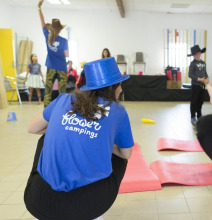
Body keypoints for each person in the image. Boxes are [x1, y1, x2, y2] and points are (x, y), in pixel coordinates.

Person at [24, 57, 134, 220]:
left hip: (41, 201)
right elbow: (126, 154)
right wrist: (105, 143)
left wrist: (62, 128)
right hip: (89, 205)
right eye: (120, 84)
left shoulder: (63, 99)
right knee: (120, 157)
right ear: (114, 86)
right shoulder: (118, 110)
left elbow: (32, 128)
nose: (121, 89)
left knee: (44, 138)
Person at [38, 0, 69, 107]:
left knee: (48, 91)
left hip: (50, 67)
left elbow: (42, 22)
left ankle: (46, 111)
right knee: (62, 92)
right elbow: (67, 55)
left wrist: (39, 8)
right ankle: (61, 110)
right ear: (60, 30)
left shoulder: (47, 36)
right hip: (61, 68)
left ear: (51, 28)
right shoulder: (64, 41)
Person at [188, 45, 209, 125]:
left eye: (198, 53)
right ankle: (193, 116)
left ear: (200, 53)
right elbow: (190, 74)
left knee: (201, 101)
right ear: (193, 55)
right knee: (194, 101)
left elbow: (205, 72)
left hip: (202, 85)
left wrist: (207, 78)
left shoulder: (203, 63)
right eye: (195, 54)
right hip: (195, 85)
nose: (197, 55)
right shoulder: (193, 64)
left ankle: (199, 115)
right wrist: (199, 79)